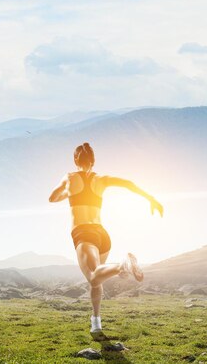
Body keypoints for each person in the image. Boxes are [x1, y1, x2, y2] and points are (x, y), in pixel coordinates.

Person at [48, 142, 163, 333]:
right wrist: (151, 198)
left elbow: (52, 197)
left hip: (84, 232)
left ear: (75, 160)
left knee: (93, 276)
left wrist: (69, 193)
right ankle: (96, 323)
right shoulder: (101, 179)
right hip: (102, 235)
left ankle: (122, 265)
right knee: (97, 278)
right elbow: (128, 184)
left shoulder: (69, 177)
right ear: (93, 161)